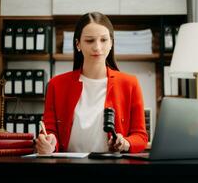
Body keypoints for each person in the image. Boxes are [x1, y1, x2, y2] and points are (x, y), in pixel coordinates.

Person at [35, 12, 148, 154]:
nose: (97, 47)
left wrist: (126, 143)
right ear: (78, 44)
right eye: (90, 41)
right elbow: (50, 132)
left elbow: (141, 136)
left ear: (111, 43)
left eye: (104, 40)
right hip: (66, 167)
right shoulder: (56, 85)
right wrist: (49, 143)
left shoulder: (130, 84)